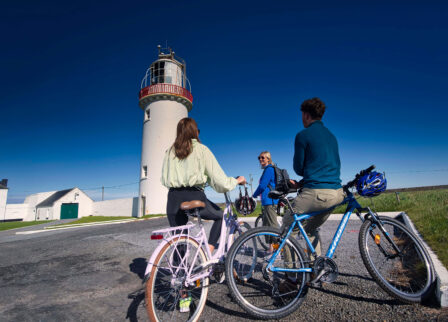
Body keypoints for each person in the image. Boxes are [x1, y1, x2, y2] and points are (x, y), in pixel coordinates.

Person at [281, 97, 344, 288]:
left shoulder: (303, 135)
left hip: (315, 193)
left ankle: (292, 277)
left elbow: (299, 167)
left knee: (287, 227)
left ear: (306, 115)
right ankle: (318, 271)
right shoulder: (332, 136)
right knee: (310, 229)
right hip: (336, 194)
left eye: (302, 115)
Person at [161, 117, 246, 253]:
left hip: (172, 198)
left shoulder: (169, 152)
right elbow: (219, 181)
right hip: (193, 195)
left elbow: (164, 178)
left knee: (179, 240)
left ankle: (180, 272)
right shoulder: (201, 150)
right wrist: (236, 181)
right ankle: (208, 253)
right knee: (221, 216)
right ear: (195, 132)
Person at [252, 151, 279, 253]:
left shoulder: (269, 169)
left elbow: (263, 185)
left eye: (263, 157)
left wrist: (253, 196)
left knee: (272, 227)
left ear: (268, 159)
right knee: (267, 226)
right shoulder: (266, 170)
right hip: (266, 201)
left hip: (270, 201)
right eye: (259, 158)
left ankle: (277, 251)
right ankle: (271, 249)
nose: (260, 160)